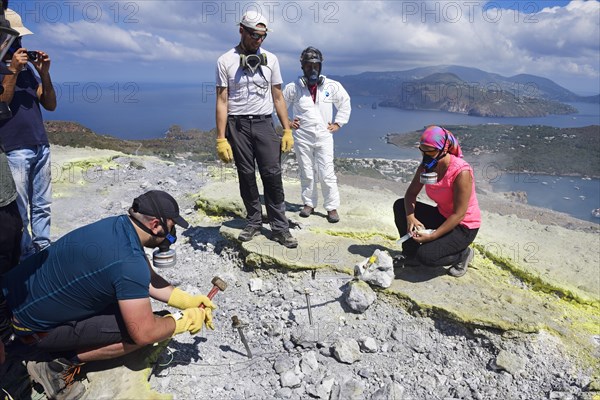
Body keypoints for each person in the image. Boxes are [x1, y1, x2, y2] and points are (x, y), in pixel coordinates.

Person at [0, 190, 216, 399]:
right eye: (171, 228)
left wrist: (185, 300)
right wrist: (180, 323)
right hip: (26, 328)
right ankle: (55, 367)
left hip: (11, 299)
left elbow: (148, 277)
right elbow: (144, 332)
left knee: (143, 314)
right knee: (147, 329)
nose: (171, 236)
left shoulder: (119, 226)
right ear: (155, 225)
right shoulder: (128, 262)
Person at [215, 11, 297, 248]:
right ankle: (253, 222)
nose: (259, 41)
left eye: (263, 36)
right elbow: (222, 100)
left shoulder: (271, 59)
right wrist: (221, 138)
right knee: (246, 175)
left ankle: (280, 227)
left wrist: (287, 129)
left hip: (264, 123)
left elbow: (278, 96)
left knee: (272, 175)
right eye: (254, 35)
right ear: (241, 30)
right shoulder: (225, 61)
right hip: (237, 125)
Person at [0, 8, 56, 260]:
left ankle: (43, 250)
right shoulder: (6, 67)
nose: (20, 44)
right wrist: (11, 69)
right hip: (14, 147)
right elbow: (2, 102)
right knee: (20, 210)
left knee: (43, 205)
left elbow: (50, 104)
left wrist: (43, 72)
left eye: (21, 39)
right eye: (16, 39)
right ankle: (24, 257)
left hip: (39, 144)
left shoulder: (27, 70)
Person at [393, 126, 480, 277]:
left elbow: (459, 214)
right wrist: (410, 217)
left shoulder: (461, 172)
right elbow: (410, 194)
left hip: (464, 226)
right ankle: (410, 254)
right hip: (443, 215)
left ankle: (463, 254)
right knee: (401, 206)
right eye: (422, 149)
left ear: (444, 149)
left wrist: (433, 236)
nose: (425, 155)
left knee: (426, 256)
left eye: (430, 151)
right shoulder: (427, 166)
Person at [283, 47, 351, 223]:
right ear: (302, 66)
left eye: (315, 65)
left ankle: (331, 207)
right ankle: (309, 204)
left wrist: (338, 122)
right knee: (306, 171)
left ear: (320, 67)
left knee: (327, 172)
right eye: (308, 65)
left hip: (324, 136)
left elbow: (345, 102)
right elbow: (279, 106)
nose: (312, 69)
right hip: (302, 137)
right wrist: (287, 123)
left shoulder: (332, 86)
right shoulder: (293, 88)